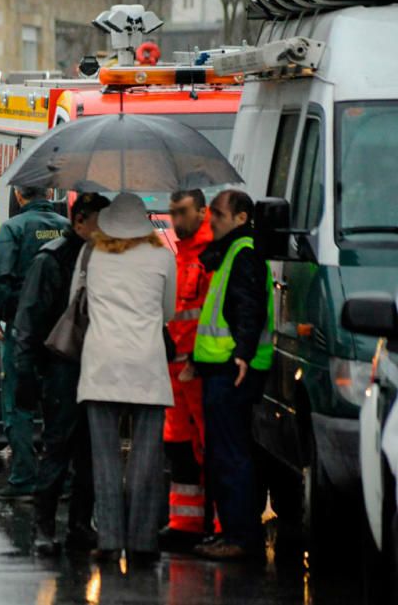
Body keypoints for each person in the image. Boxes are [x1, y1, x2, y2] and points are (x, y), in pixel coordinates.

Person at [74, 193, 176, 562]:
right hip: (148, 365)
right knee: (146, 460)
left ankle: (110, 540)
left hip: (101, 365)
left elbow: (77, 301)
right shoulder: (164, 256)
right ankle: (143, 542)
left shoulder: (92, 255)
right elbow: (168, 311)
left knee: (105, 459)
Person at [14, 192, 110, 555]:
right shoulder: (52, 259)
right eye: (99, 221)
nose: (105, 229)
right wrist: (27, 376)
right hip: (62, 368)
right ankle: (44, 527)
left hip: (95, 365)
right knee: (57, 448)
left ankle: (81, 525)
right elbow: (29, 322)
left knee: (89, 452)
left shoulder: (105, 257)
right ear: (80, 221)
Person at [190, 189, 273, 561]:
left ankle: (240, 537)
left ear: (241, 218)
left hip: (232, 371)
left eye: (220, 215)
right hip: (223, 368)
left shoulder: (245, 254)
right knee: (226, 453)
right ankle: (236, 533)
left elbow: (249, 308)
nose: (213, 221)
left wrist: (241, 354)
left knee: (231, 455)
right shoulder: (233, 252)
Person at [0, 186, 68, 501]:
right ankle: (61, 479)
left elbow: (1, 279)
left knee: (19, 405)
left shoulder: (13, 229)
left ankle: (23, 478)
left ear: (19, 195)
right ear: (48, 191)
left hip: (23, 330)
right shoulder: (66, 227)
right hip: (61, 332)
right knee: (58, 406)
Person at [159, 189, 216, 551]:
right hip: (177, 376)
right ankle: (186, 523)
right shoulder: (182, 256)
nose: (175, 221)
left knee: (212, 451)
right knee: (179, 450)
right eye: (172, 213)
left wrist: (197, 361)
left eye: (182, 213)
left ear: (201, 212)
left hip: (200, 373)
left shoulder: (209, 256)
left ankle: (221, 527)